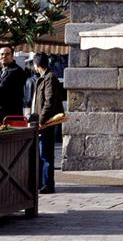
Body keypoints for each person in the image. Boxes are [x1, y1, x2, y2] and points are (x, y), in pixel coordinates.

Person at [32, 52, 64, 194]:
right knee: (41, 153)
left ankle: (47, 184)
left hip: (46, 123)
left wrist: (41, 120)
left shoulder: (49, 78)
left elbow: (49, 102)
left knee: (46, 154)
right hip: (41, 121)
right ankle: (41, 183)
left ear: (37, 65)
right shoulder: (44, 78)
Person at [0, 45, 26, 121]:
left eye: (7, 54)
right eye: (1, 54)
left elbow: (5, 91)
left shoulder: (16, 71)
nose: (4, 56)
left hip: (11, 116)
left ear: (12, 56)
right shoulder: (2, 71)